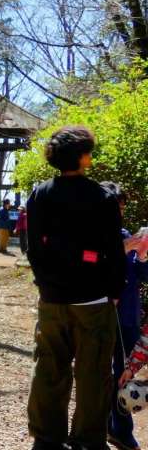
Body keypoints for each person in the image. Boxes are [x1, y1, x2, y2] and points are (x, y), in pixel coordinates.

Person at [26, 126, 126, 450]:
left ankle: (47, 437)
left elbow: (32, 248)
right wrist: (115, 290)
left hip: (52, 299)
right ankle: (87, 439)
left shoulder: (40, 194)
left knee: (49, 367)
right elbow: (114, 251)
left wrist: (44, 284)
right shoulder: (102, 197)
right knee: (94, 374)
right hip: (93, 299)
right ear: (82, 157)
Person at [102, 182, 148, 450]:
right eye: (115, 207)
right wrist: (120, 250)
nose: (119, 213)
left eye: (121, 208)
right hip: (100, 314)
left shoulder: (124, 234)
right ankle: (98, 425)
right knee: (98, 372)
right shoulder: (90, 236)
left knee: (124, 372)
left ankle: (120, 429)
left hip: (128, 314)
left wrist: (141, 255)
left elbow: (141, 275)